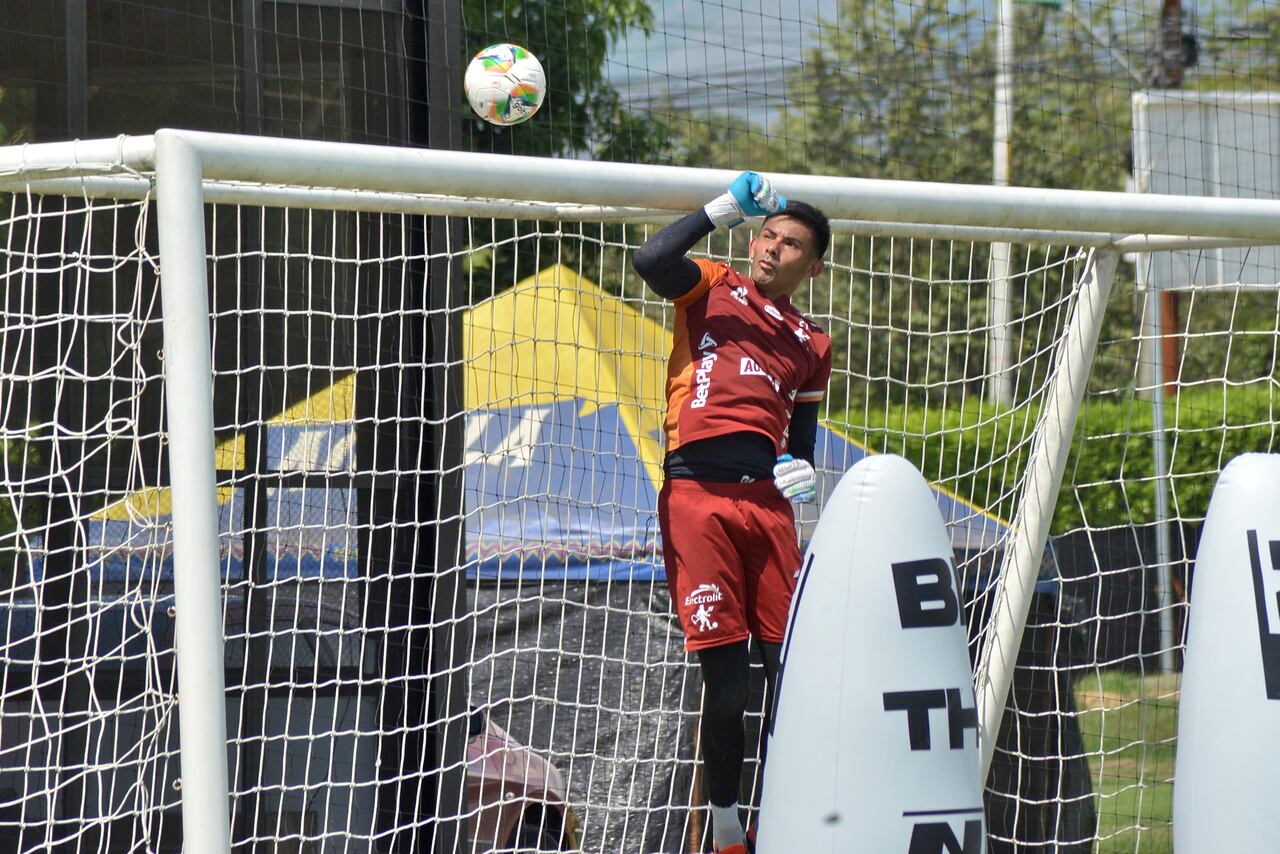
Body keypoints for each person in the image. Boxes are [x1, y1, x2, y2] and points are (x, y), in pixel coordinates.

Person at [632, 172, 832, 853]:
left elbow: (799, 447)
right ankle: (724, 823)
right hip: (698, 499)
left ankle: (797, 816)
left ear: (814, 264)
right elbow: (651, 260)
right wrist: (719, 209)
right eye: (767, 235)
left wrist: (803, 474)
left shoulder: (814, 343)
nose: (772, 248)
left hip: (768, 510)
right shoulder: (713, 285)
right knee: (728, 683)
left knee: (792, 674)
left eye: (791, 243)